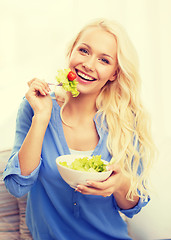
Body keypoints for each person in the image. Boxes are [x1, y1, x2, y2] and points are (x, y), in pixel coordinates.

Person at [3, 19, 155, 240]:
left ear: (114, 73)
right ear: (71, 52)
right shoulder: (36, 107)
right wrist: (42, 118)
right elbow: (17, 186)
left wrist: (120, 184)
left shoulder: (126, 120)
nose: (89, 64)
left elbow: (131, 207)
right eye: (84, 51)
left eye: (104, 60)